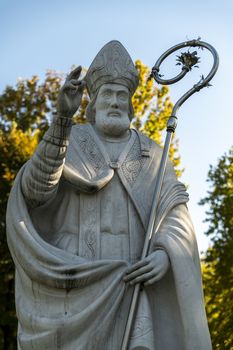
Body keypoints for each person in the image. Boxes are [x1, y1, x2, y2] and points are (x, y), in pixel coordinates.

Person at [7, 40, 212, 350]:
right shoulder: (71, 139)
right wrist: (62, 121)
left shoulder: (152, 154)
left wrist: (164, 255)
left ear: (130, 105)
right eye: (107, 94)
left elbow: (175, 215)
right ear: (94, 102)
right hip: (78, 289)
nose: (115, 102)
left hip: (134, 284)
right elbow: (35, 193)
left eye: (121, 95)